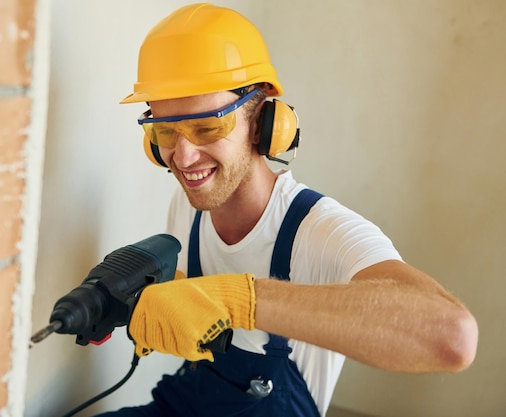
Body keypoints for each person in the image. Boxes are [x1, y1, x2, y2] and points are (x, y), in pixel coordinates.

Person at [96, 3, 478, 417]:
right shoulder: (188, 206)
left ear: (262, 123)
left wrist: (239, 300)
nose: (183, 157)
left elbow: (452, 338)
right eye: (166, 130)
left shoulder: (321, 231)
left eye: (207, 127)